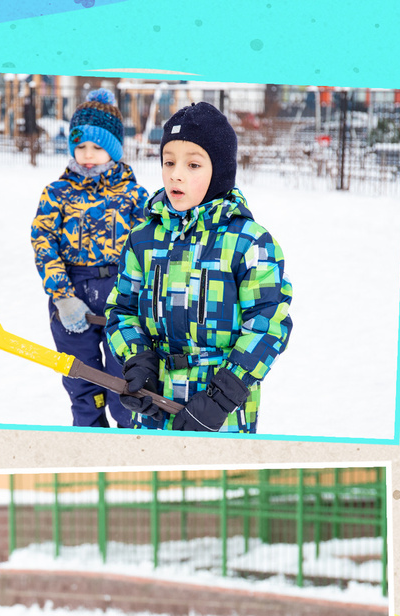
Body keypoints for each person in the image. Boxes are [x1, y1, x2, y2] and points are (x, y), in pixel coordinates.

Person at [107, 102, 293, 433]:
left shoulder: (249, 243)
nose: (176, 173)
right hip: (155, 406)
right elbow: (122, 310)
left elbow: (268, 326)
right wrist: (139, 362)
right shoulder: (143, 239)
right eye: (169, 162)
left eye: (193, 164)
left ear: (219, 171)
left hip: (219, 417)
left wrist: (222, 398)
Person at [31, 88, 148, 428]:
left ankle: (130, 444)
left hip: (121, 295)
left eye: (97, 147)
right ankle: (89, 436)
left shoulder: (134, 195)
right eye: (80, 146)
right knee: (80, 379)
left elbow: (149, 250)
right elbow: (43, 241)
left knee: (123, 381)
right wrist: (63, 297)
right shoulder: (57, 193)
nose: (87, 155)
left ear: (113, 148)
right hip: (72, 292)